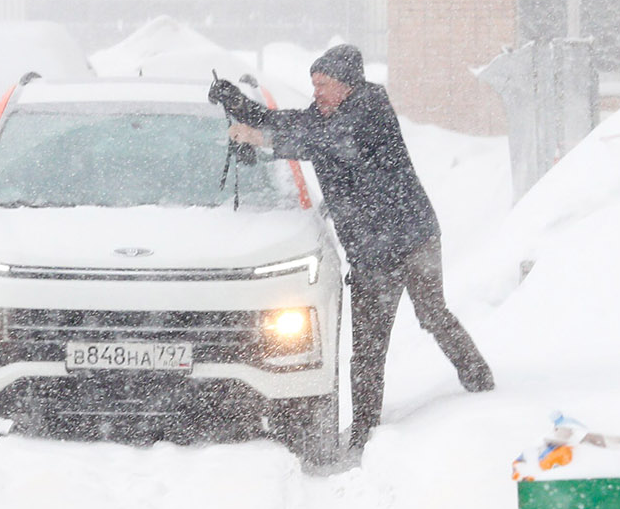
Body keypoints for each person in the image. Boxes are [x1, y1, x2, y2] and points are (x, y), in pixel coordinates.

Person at [209, 44, 493, 451]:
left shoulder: (369, 109)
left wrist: (259, 138)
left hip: (411, 238)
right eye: (312, 84)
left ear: (346, 84)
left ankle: (480, 380)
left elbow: (323, 141)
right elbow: (287, 122)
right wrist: (241, 105)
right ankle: (365, 432)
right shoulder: (325, 114)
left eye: (323, 84)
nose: (316, 92)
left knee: (431, 314)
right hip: (370, 250)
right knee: (368, 346)